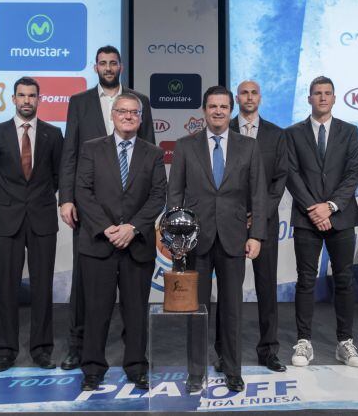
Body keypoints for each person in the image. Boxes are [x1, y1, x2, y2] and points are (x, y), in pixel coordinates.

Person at [58, 45, 155, 370]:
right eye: (103, 63)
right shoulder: (79, 102)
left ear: (121, 66)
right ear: (95, 66)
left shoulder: (139, 101)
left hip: (132, 219)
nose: (109, 67)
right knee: (86, 289)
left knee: (133, 297)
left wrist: (134, 224)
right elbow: (70, 152)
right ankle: (80, 348)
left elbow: (149, 153)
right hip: (91, 215)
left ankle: (134, 356)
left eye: (114, 63)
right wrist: (67, 198)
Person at [168, 85, 267, 393]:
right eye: (213, 106)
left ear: (231, 109)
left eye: (224, 106)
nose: (219, 111)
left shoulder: (248, 146)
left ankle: (232, 369)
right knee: (196, 309)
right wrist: (175, 236)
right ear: (204, 110)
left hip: (235, 239)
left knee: (232, 308)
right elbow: (174, 195)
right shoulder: (185, 146)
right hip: (196, 241)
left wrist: (257, 236)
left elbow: (258, 195)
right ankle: (196, 371)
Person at [75, 93, 166, 391]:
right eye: (122, 111)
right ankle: (92, 369)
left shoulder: (152, 153)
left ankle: (137, 366)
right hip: (99, 244)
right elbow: (83, 192)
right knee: (96, 310)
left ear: (141, 118)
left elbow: (157, 196)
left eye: (134, 113)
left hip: (136, 245)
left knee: (136, 311)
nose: (128, 116)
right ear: (112, 115)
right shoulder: (91, 149)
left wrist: (133, 228)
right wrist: (108, 228)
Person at [0, 77, 63, 372]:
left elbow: (58, 176)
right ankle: (5, 350)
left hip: (42, 219)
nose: (27, 100)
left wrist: (36, 200)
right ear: (13, 99)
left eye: (32, 95)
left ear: (39, 99)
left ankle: (42, 349)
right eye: (21, 95)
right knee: (6, 288)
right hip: (7, 219)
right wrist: (8, 202)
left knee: (43, 287)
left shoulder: (53, 135)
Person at [284, 76, 358, 368]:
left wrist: (329, 207)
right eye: (317, 93)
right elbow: (291, 173)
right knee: (305, 281)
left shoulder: (350, 131)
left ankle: (345, 342)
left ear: (334, 98)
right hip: (307, 219)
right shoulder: (292, 133)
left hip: (341, 216)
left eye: (327, 93)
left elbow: (353, 172)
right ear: (309, 98)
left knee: (344, 280)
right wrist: (313, 209)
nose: (322, 97)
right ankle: (304, 341)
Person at [226, 80, 288, 372]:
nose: (248, 97)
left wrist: (260, 215)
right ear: (236, 98)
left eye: (253, 93)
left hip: (264, 223)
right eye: (243, 93)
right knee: (229, 289)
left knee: (266, 288)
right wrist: (240, 213)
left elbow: (280, 180)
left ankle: (268, 350)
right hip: (230, 221)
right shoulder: (224, 129)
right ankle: (227, 351)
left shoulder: (277, 134)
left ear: (260, 98)